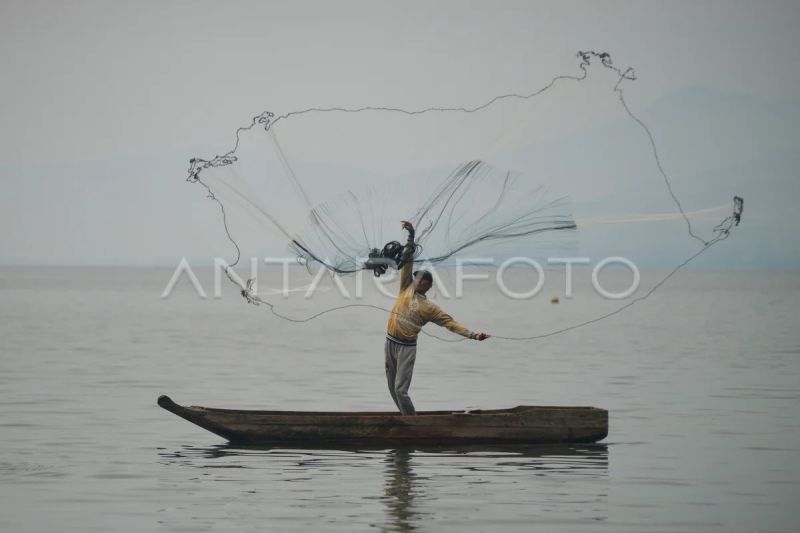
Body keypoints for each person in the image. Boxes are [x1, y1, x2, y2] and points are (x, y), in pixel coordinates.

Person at [384, 220, 490, 415]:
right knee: (392, 389)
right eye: (418, 277)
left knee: (400, 389)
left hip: (407, 348)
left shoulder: (429, 308)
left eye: (424, 279)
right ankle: (406, 419)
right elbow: (408, 261)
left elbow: (450, 323)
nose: (419, 280)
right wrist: (411, 236)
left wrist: (473, 335)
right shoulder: (405, 288)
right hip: (390, 343)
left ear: (428, 286)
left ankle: (412, 423)